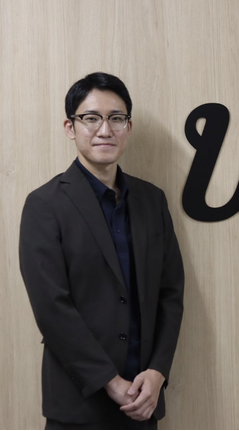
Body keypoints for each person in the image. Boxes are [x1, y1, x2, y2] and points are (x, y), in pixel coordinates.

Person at [19, 72, 184, 429]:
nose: (105, 130)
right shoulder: (44, 205)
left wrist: (158, 371)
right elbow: (51, 308)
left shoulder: (152, 200)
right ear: (70, 127)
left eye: (116, 118)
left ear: (128, 127)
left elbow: (170, 293)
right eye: (91, 118)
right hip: (78, 405)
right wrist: (110, 381)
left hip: (143, 400)